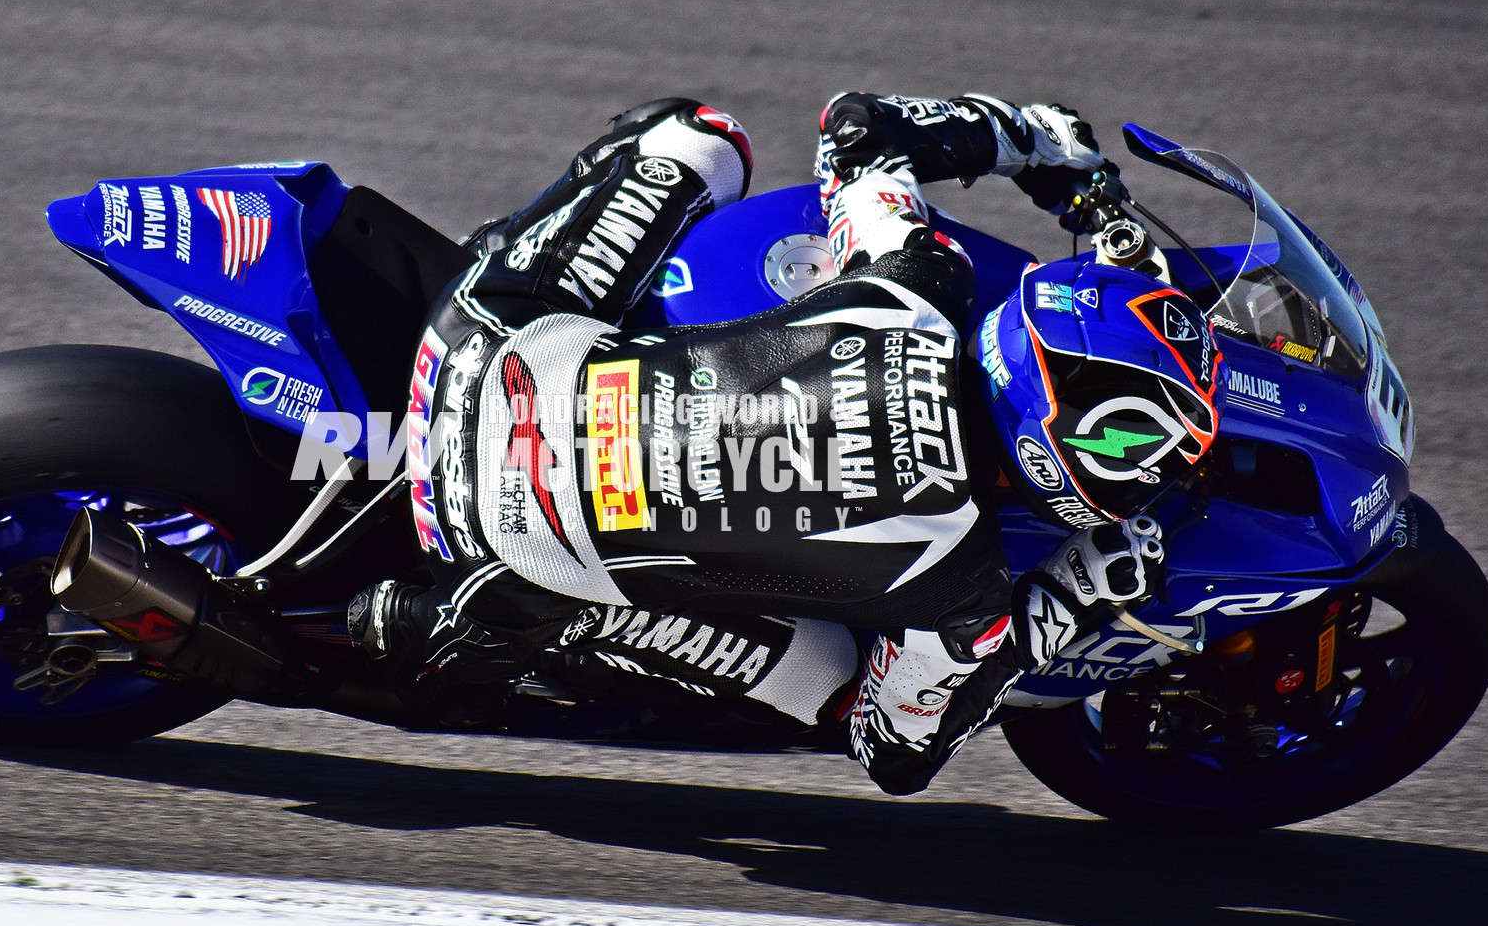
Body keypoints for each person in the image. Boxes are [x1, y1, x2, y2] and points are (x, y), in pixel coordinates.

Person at [347, 92, 1221, 794]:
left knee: (701, 137)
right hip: (501, 557)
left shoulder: (917, 286)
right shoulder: (964, 584)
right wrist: (1074, 593)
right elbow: (891, 749)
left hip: (476, 355)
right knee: (837, 688)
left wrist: (1028, 140)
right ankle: (457, 637)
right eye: (1156, 445)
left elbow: (859, 133)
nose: (1168, 466)